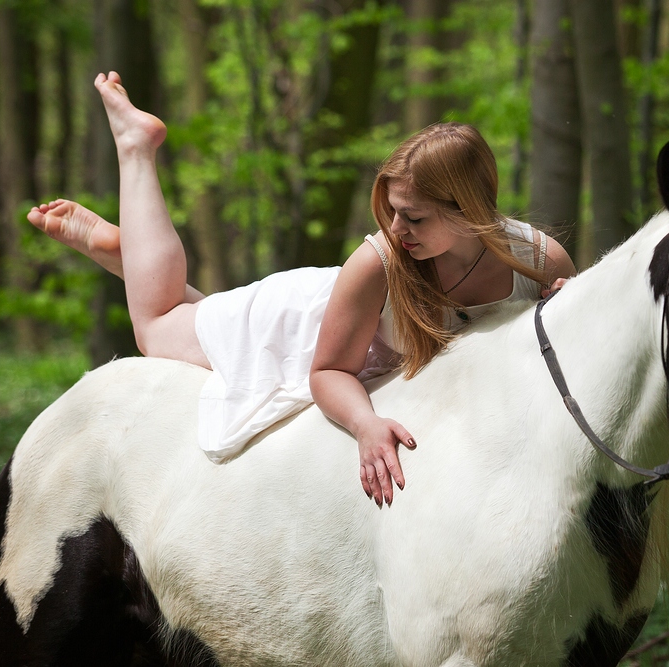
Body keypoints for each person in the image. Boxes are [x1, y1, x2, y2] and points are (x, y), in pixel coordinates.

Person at [28, 71, 576, 508]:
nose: (396, 228)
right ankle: (136, 148)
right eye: (391, 212)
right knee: (156, 325)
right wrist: (366, 425)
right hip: (300, 321)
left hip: (347, 313)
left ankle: (129, 250)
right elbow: (327, 370)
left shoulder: (538, 260)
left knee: (191, 313)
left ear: (470, 212)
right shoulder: (379, 261)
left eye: (414, 217)